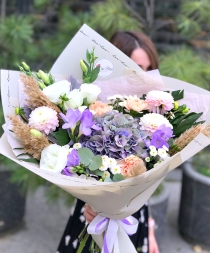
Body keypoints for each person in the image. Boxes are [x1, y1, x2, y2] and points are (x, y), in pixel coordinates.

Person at [56, 31, 160, 253]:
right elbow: (73, 167)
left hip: (134, 217)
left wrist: (150, 229)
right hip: (91, 215)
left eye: (149, 68)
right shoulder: (93, 109)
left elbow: (152, 177)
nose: (145, 76)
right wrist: (91, 204)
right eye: (137, 69)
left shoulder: (155, 112)